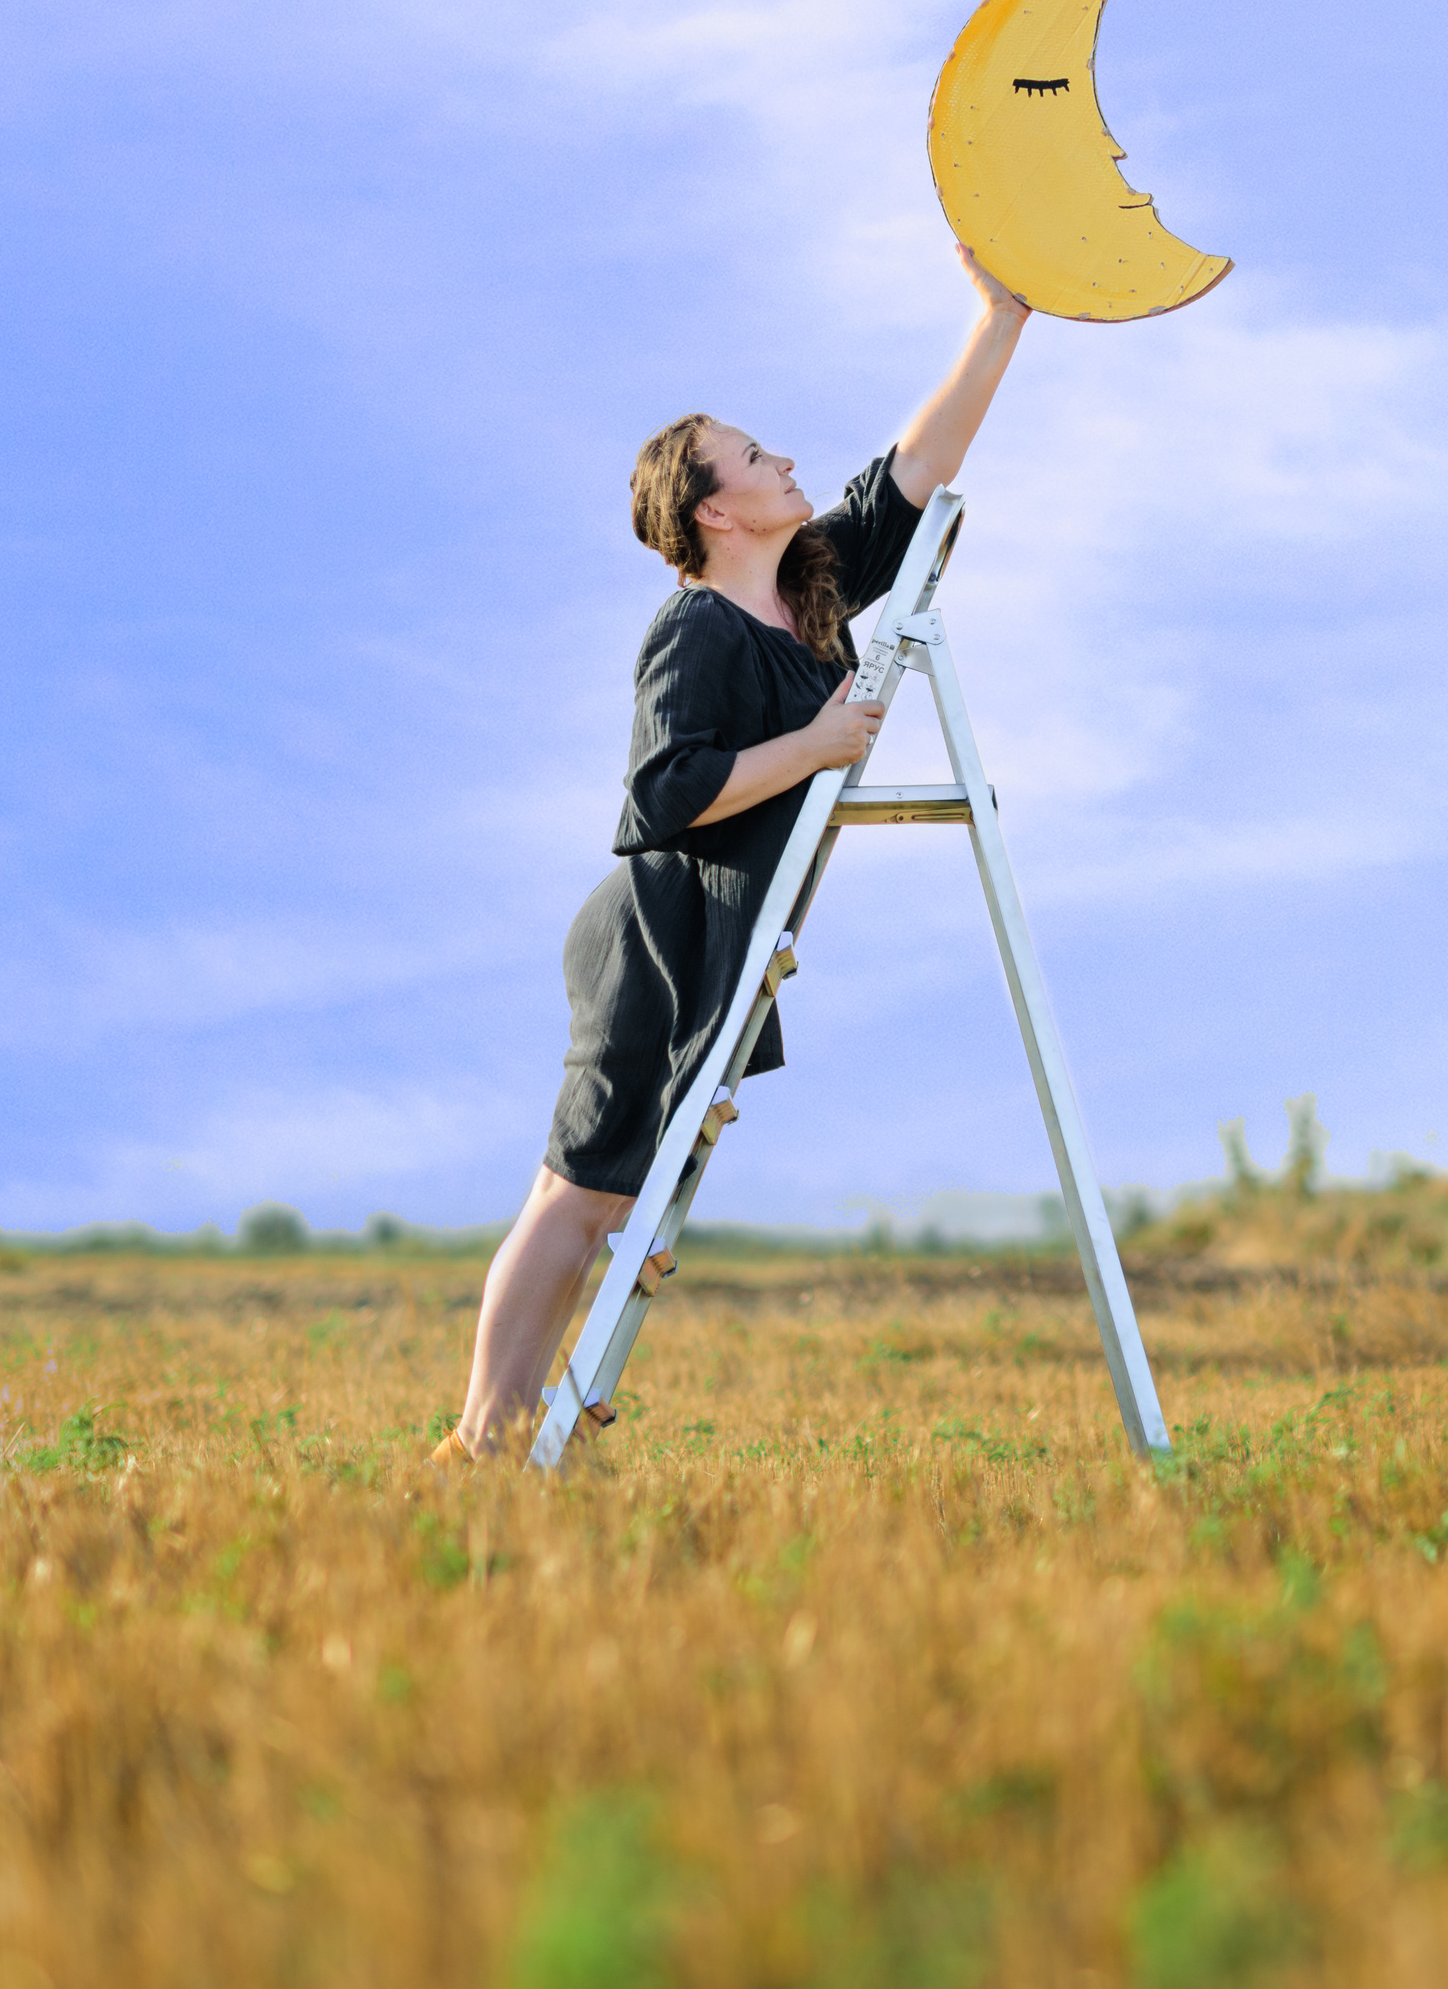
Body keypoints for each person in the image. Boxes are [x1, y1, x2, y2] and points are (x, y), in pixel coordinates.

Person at [433, 245, 1030, 1459]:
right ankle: (477, 1441)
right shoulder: (696, 623)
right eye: (757, 457)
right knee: (577, 1188)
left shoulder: (809, 590)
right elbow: (666, 789)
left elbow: (918, 465)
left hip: (715, 938)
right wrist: (814, 744)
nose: (787, 463)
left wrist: (1000, 320)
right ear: (712, 507)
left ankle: (513, 1439)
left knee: (608, 1198)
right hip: (653, 934)